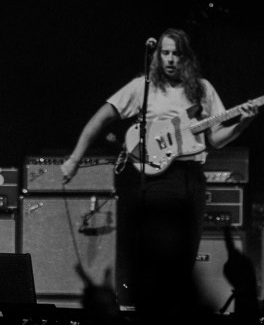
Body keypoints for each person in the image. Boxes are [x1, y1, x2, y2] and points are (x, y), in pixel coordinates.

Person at [60, 28, 257, 318]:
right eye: (165, 52)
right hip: (157, 178)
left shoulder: (202, 89)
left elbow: (215, 139)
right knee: (161, 256)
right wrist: (75, 158)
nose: (170, 59)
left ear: (185, 57)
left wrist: (244, 122)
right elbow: (101, 117)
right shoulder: (144, 87)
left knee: (186, 254)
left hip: (192, 176)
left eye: (176, 53)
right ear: (156, 55)